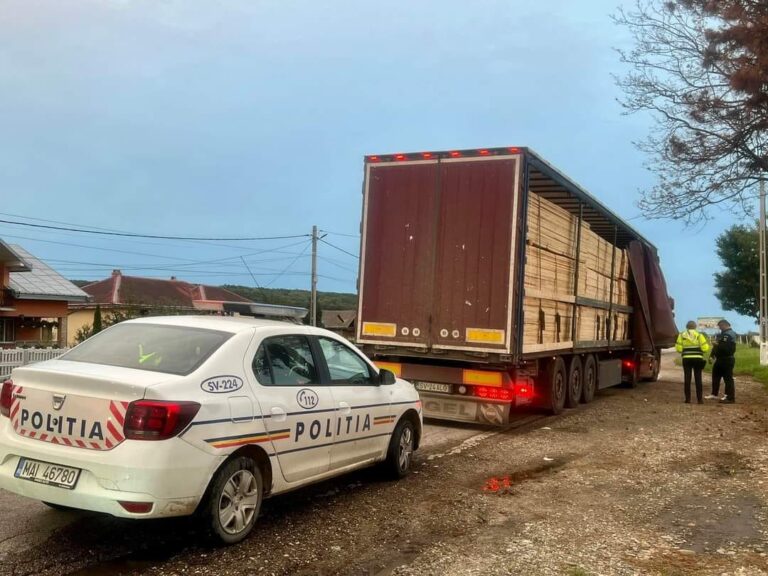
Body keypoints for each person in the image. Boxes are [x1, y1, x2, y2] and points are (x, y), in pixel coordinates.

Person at [675, 320, 710, 404]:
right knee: (698, 378)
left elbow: (679, 349)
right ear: (695, 326)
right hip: (698, 358)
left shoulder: (681, 335)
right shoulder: (699, 335)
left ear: (687, 326)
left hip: (686, 359)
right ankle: (700, 400)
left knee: (687, 378)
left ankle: (688, 399)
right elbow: (705, 348)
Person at [706, 319, 738, 403]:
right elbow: (716, 346)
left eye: (720, 326)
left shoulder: (730, 334)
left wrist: (717, 344)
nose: (720, 328)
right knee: (715, 376)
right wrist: (711, 356)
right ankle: (714, 394)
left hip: (727, 359)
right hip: (720, 359)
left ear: (725, 325)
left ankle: (730, 397)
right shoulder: (722, 334)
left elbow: (726, 348)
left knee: (728, 379)